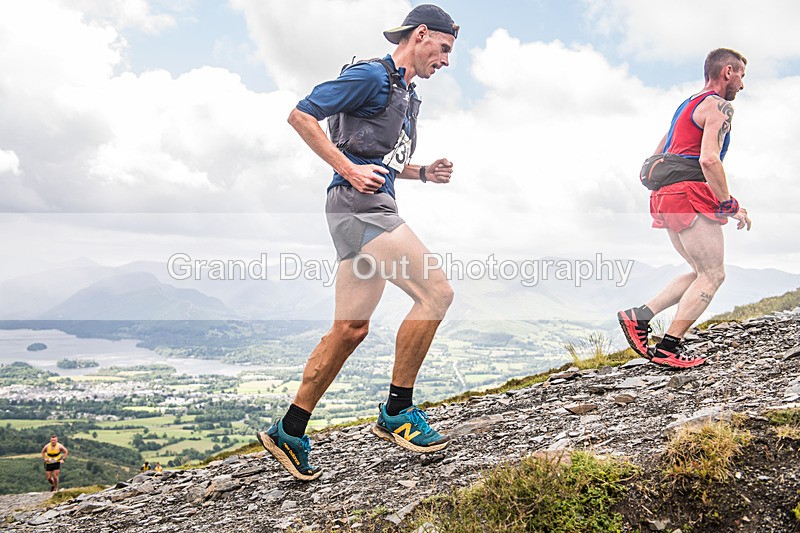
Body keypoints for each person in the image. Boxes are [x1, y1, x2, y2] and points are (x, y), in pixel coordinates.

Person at [257, 4, 459, 481]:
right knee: (436, 293)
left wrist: (422, 173)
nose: (446, 60)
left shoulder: (405, 94)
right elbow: (301, 115)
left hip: (359, 208)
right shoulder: (371, 75)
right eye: (444, 48)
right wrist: (347, 169)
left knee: (350, 328)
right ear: (421, 34)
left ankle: (289, 429)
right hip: (360, 208)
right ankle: (397, 412)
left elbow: (381, 159)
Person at [618, 48, 752, 369]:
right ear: (728, 71)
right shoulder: (718, 106)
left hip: (665, 196)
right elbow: (709, 159)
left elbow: (659, 153)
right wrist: (729, 204)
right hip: (690, 195)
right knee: (714, 274)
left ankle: (639, 317)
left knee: (699, 272)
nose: (742, 85)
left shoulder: (686, 106)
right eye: (741, 76)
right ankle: (669, 348)